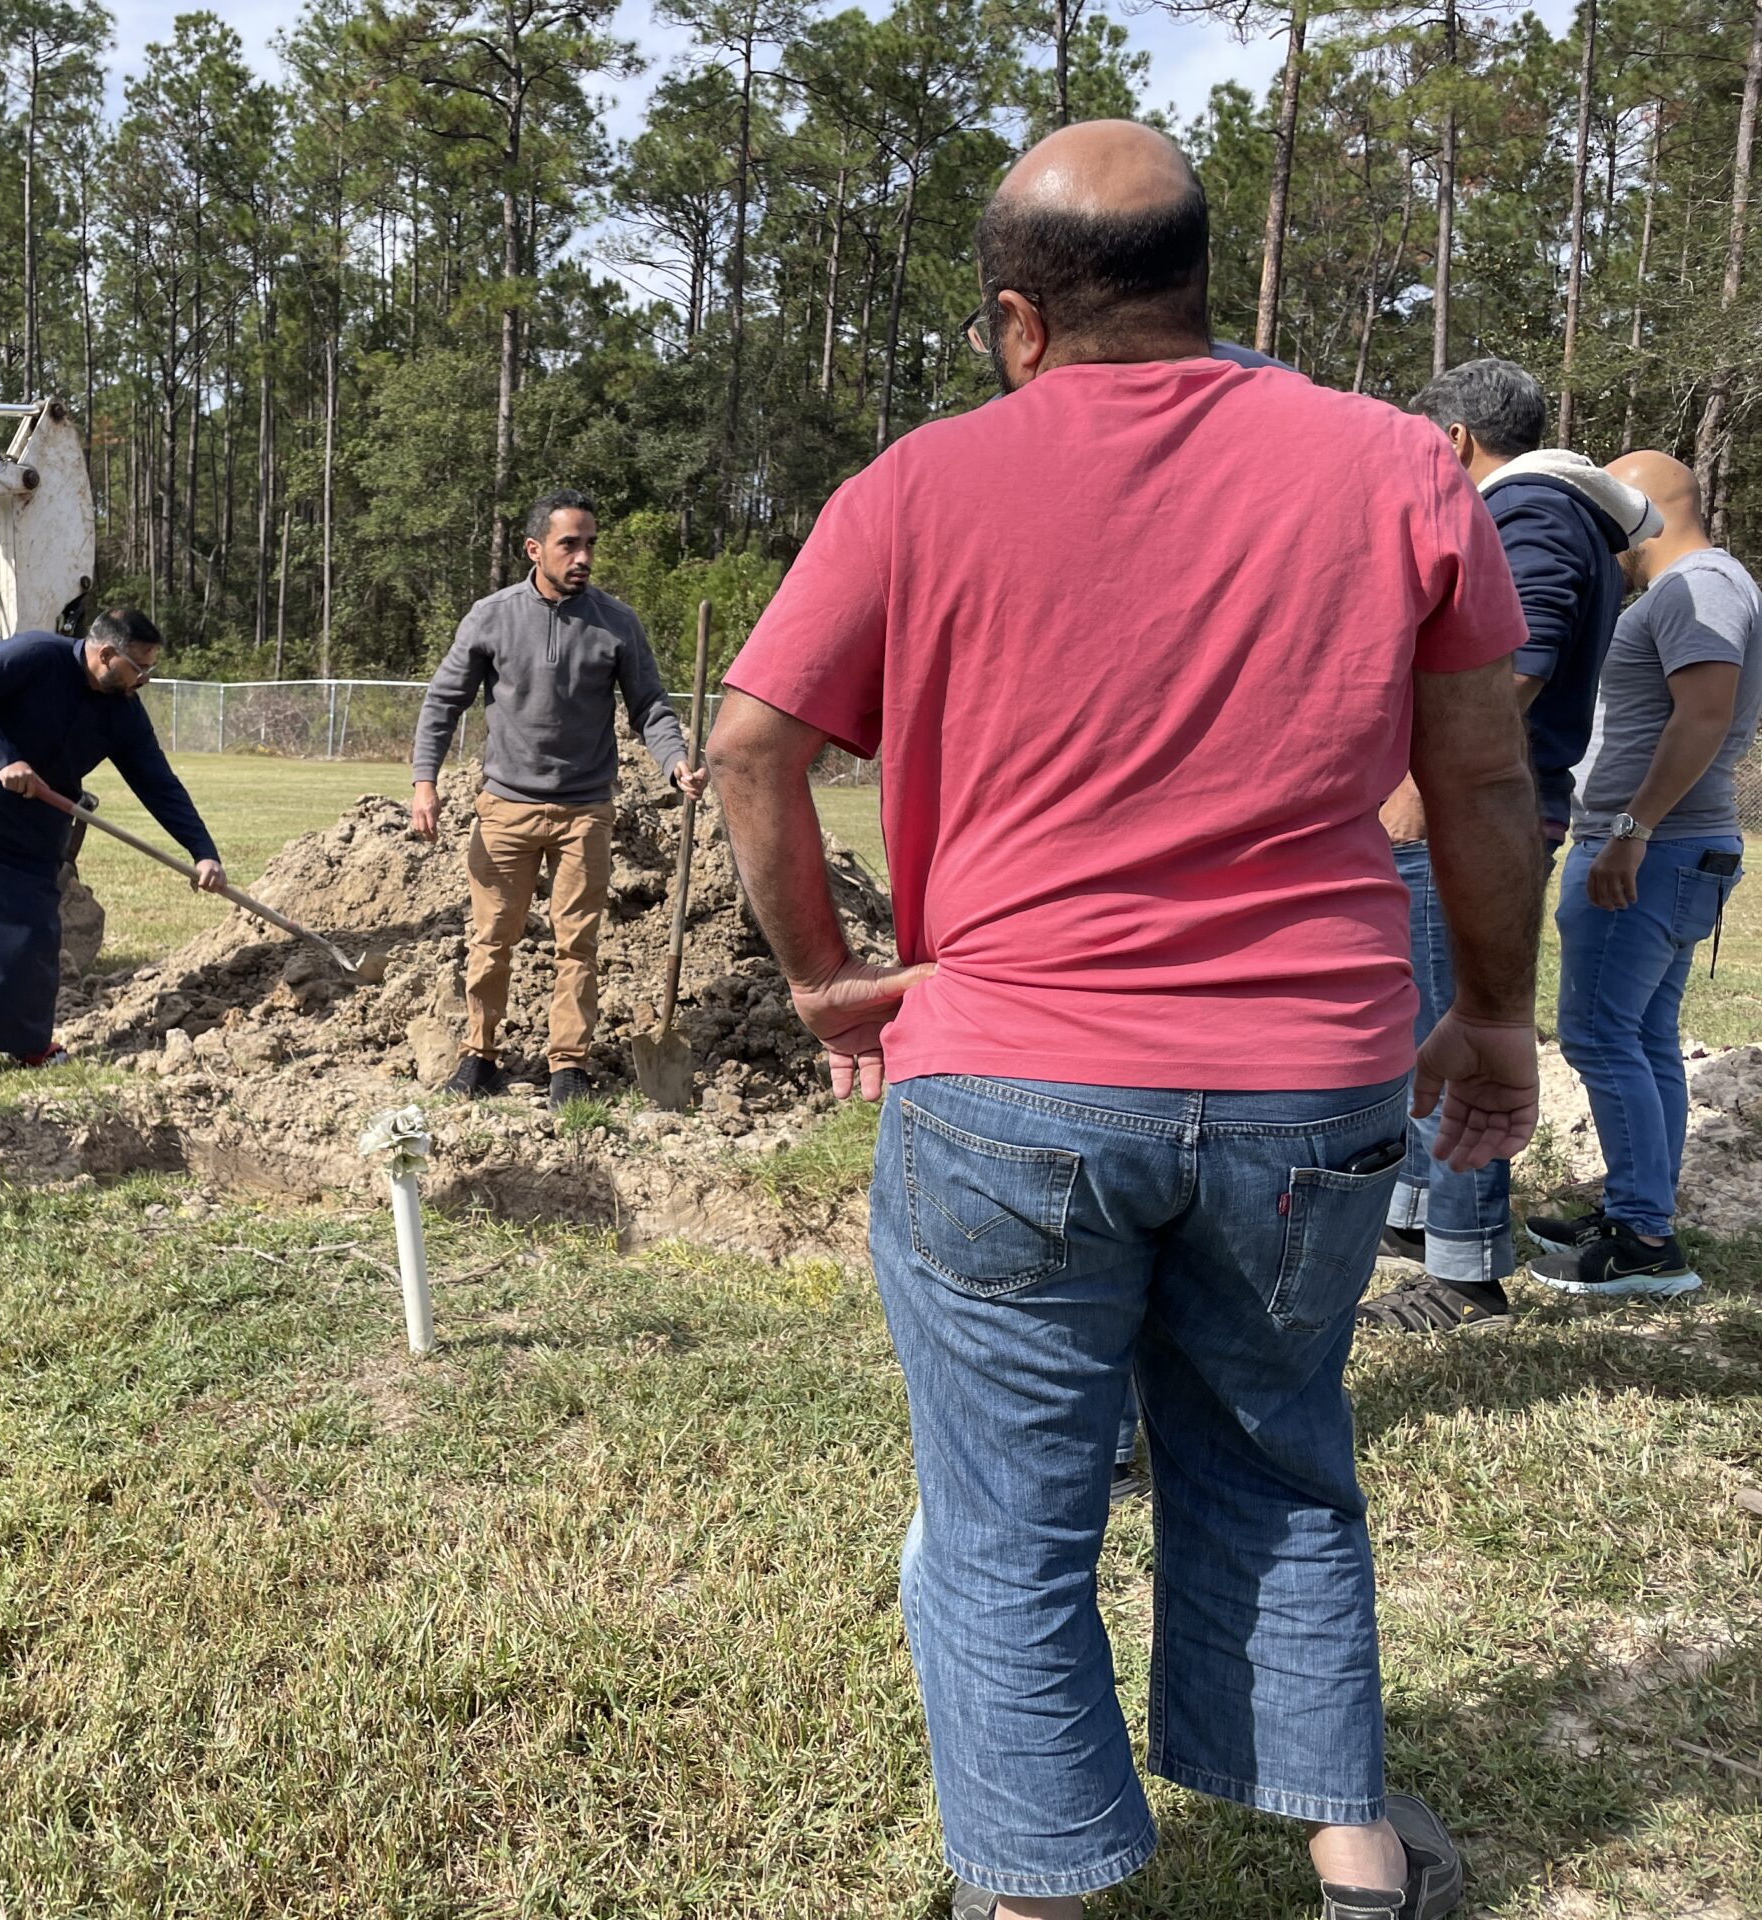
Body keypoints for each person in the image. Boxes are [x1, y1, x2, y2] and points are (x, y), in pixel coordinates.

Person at [705, 122, 1543, 1920]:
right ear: (1201, 283)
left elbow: (752, 746)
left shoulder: (920, 485)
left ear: (1019, 319)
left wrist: (819, 976)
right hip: (1308, 1084)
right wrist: (1491, 1013)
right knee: (1281, 1463)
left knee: (1010, 1520)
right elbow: (1481, 776)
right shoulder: (1403, 467)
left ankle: (1030, 1895)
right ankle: (1359, 1865)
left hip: (1008, 1077)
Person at [1362, 362, 1658, 1333]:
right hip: (1472, 813)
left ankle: (1464, 1270)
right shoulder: (1553, 510)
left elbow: (1505, 673)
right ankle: (1417, 1222)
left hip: (1471, 820)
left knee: (1457, 1021)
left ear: (1450, 440)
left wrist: (1412, 790)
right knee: (1426, 1020)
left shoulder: (1527, 510)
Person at [1527, 452, 1762, 1299]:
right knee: (1645, 1035)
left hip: (1650, 849)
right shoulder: (1698, 586)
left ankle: (1643, 1243)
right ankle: (1639, 1211)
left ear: (1644, 504)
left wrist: (1631, 828)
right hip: (1664, 845)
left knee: (1597, 1035)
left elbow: (1704, 713)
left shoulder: (1699, 586)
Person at [408, 490, 703, 1106]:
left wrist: (676, 762)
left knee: (578, 944)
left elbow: (650, 706)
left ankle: (567, 1064)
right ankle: (480, 1055)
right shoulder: (491, 616)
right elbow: (443, 702)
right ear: (535, 549)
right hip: (505, 808)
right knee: (491, 939)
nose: (584, 556)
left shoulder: (616, 623)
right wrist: (424, 781)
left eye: (590, 542)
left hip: (586, 810)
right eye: (570, 543)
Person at [0, 609, 224, 1069]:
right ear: (106, 654)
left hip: (34, 822)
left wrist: (203, 851)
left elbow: (158, 781)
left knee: (31, 927)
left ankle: (25, 1040)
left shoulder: (124, 714)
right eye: (141, 666)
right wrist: (3, 757)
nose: (147, 678)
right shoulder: (36, 655)